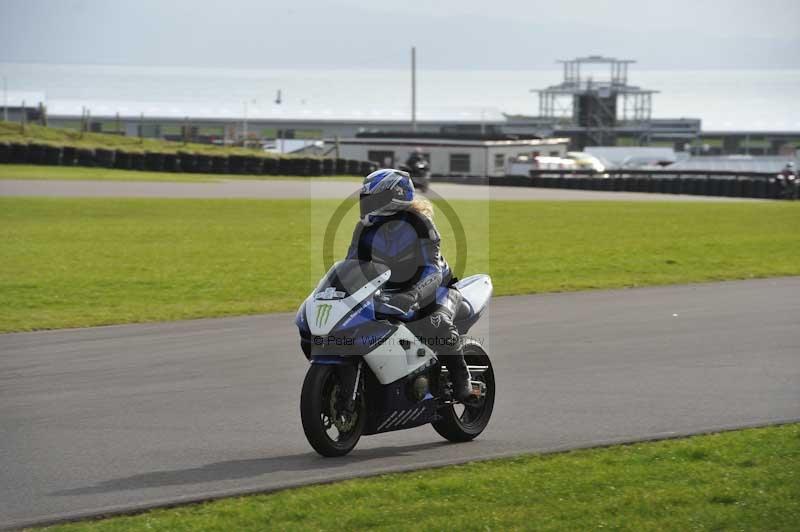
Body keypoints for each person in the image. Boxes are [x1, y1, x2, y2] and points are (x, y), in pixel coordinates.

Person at [347, 168, 476, 403]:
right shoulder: (364, 228)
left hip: (437, 289)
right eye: (366, 198)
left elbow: (432, 270)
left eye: (374, 198)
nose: (367, 204)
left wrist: (413, 294)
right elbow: (351, 266)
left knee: (436, 322)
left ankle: (462, 379)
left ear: (395, 197)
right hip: (390, 291)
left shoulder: (421, 225)